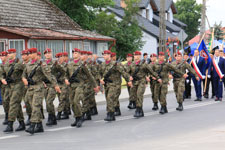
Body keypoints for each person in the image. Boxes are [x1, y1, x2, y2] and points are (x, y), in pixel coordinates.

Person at [22, 48, 61, 134]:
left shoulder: (41, 64)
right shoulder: (28, 64)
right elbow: (24, 75)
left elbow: (49, 76)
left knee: (36, 105)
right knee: (31, 106)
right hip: (30, 87)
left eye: (32, 53)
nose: (30, 55)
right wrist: (24, 79)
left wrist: (56, 85)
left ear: (36, 54)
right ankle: (39, 126)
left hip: (39, 87)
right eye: (29, 54)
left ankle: (32, 126)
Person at [65, 48, 99, 128]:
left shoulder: (82, 65)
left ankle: (80, 117)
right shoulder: (69, 64)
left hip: (80, 85)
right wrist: (66, 79)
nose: (74, 54)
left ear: (79, 55)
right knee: (72, 103)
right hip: (71, 86)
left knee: (76, 101)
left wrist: (95, 86)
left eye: (76, 53)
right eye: (73, 53)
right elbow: (66, 74)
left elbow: (89, 75)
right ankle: (76, 118)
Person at [99, 50, 132, 121]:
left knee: (110, 98)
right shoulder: (102, 64)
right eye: (103, 55)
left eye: (105, 55)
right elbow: (99, 74)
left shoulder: (116, 64)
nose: (103, 56)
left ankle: (110, 114)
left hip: (115, 85)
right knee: (108, 99)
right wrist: (100, 79)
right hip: (107, 85)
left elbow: (123, 73)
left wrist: (128, 81)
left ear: (109, 55)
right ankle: (112, 114)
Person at [128, 51, 161, 118]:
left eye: (137, 55)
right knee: (135, 96)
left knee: (139, 94)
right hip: (135, 82)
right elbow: (127, 72)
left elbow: (151, 72)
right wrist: (129, 78)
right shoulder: (132, 64)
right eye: (134, 55)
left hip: (142, 81)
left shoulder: (144, 64)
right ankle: (140, 110)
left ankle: (138, 109)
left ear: (140, 56)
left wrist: (158, 78)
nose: (135, 56)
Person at [1, 49, 25, 133]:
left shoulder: (19, 63)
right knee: (12, 103)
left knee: (13, 103)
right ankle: (22, 122)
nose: (10, 54)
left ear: (15, 53)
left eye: (11, 53)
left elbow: (26, 72)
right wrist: (2, 79)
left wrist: (25, 80)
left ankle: (10, 124)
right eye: (9, 53)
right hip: (9, 86)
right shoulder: (6, 64)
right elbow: (2, 73)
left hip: (18, 84)